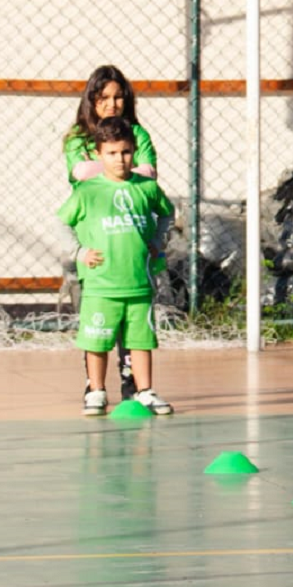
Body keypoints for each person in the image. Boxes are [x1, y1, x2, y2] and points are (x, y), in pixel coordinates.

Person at [58, 116, 175, 417]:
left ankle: (145, 390)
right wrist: (79, 251)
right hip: (101, 284)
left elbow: (167, 214)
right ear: (98, 155)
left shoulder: (147, 188)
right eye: (111, 153)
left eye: (125, 152)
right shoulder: (87, 191)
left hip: (138, 282)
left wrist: (159, 241)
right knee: (97, 339)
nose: (119, 159)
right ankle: (96, 391)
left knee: (140, 340)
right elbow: (61, 223)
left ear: (134, 151)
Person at [62, 65, 159, 400]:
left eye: (119, 97)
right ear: (92, 99)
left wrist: (109, 167)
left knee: (132, 318)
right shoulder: (77, 137)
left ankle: (132, 378)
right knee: (97, 318)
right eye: (104, 97)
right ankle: (94, 384)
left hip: (128, 241)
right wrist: (119, 168)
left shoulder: (138, 134)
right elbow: (80, 172)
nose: (112, 104)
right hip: (95, 240)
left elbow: (149, 172)